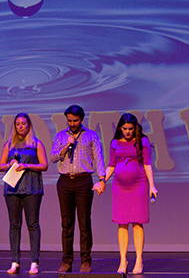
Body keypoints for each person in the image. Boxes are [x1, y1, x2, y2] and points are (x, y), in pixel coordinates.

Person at [50, 105, 106, 273]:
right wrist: (67, 146)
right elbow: (53, 158)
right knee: (67, 224)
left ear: (81, 119)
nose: (72, 124)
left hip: (84, 181)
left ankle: (86, 261)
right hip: (65, 181)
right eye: (69, 120)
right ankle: (66, 261)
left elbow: (98, 158)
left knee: (84, 222)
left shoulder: (91, 135)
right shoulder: (61, 136)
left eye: (75, 120)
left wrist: (102, 179)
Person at [103, 113, 158, 275]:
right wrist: (102, 181)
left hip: (138, 185)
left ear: (135, 128)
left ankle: (139, 259)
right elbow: (111, 165)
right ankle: (123, 260)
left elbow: (147, 164)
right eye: (125, 128)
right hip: (119, 186)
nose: (127, 132)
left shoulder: (142, 142)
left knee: (137, 222)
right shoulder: (115, 142)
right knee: (122, 223)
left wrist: (152, 186)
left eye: (130, 129)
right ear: (120, 127)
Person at [0, 113, 48, 274]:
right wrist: (9, 164)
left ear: (29, 125)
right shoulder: (9, 144)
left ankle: (34, 262)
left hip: (31, 188)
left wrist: (26, 166)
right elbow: (0, 165)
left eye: (23, 123)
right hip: (12, 189)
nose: (20, 126)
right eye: (18, 123)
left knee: (32, 224)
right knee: (14, 225)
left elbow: (44, 165)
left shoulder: (36, 143)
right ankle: (15, 261)